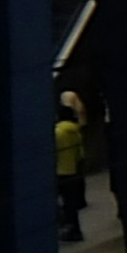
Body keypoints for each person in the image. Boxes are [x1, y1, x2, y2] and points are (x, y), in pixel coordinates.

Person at [55, 93, 89, 239]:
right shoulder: (76, 132)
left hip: (59, 171)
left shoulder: (57, 133)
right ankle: (74, 228)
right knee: (70, 204)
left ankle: (64, 226)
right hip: (73, 171)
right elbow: (80, 155)